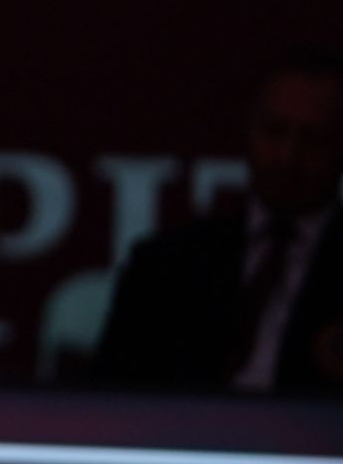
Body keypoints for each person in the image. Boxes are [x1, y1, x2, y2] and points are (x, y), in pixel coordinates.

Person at [94, 46, 343, 394]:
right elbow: (108, 398)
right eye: (275, 131)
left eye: (313, 139)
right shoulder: (166, 265)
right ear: (250, 128)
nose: (288, 156)